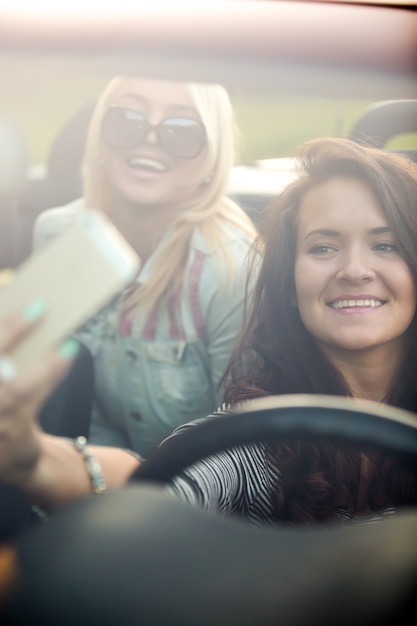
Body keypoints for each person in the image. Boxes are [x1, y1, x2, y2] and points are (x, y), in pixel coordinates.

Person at [1, 137, 416, 524]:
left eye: (386, 245)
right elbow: (152, 488)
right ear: (289, 282)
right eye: (322, 247)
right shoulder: (252, 439)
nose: (355, 271)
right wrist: (35, 460)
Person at [32, 75, 257, 457]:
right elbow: (55, 404)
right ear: (99, 140)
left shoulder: (233, 269)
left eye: (182, 129)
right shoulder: (57, 234)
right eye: (126, 119)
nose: (150, 138)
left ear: (212, 156)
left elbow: (238, 449)